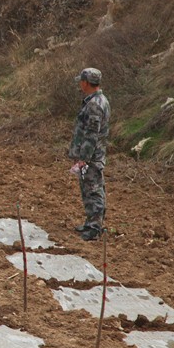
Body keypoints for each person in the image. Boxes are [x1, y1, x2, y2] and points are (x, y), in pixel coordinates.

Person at [68, 68, 110, 242]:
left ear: (86, 83)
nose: (80, 84)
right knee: (88, 188)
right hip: (92, 155)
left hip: (91, 157)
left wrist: (83, 159)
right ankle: (90, 222)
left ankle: (94, 228)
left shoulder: (94, 105)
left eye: (81, 81)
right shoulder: (97, 101)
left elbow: (91, 134)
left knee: (93, 190)